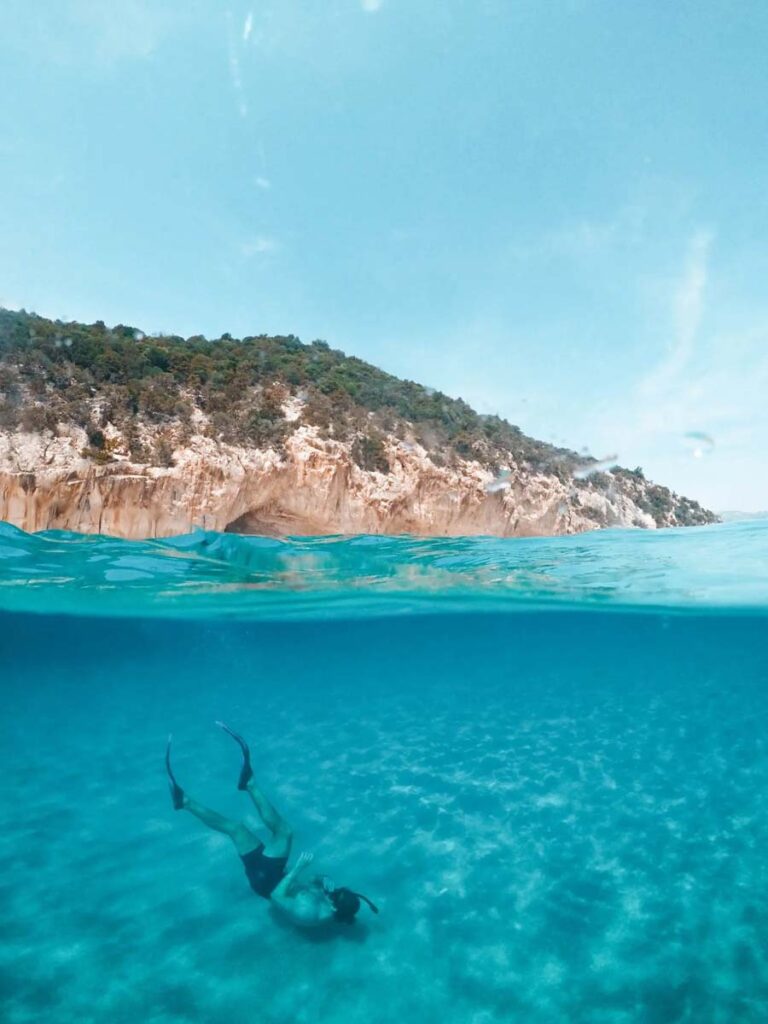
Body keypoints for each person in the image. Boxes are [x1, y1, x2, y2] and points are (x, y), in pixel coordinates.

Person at [165, 722, 378, 928]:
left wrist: (296, 870)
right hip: (272, 877)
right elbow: (312, 881)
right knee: (236, 828)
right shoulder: (330, 901)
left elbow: (277, 897)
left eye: (334, 895)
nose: (332, 892)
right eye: (337, 890)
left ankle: (249, 784)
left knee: (284, 832)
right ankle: (184, 802)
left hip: (269, 883)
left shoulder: (310, 914)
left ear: (333, 907)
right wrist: (325, 879)